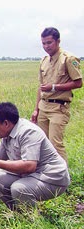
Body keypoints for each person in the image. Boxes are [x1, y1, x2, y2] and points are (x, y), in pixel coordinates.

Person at [0, 102, 70, 210]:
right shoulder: (6, 135)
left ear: (6, 123)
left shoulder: (28, 132)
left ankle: (32, 220)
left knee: (19, 188)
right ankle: (17, 213)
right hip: (33, 175)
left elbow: (29, 166)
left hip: (52, 178)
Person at [31, 27, 82, 161]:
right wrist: (36, 110)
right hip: (43, 107)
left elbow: (78, 83)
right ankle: (47, 173)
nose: (46, 46)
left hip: (59, 108)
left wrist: (53, 87)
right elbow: (40, 88)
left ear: (58, 41)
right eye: (43, 43)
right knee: (42, 144)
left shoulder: (68, 59)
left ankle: (61, 177)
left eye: (49, 42)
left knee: (55, 144)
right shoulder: (43, 61)